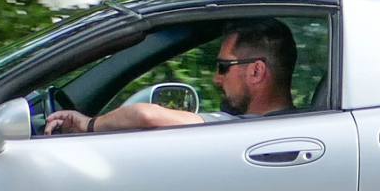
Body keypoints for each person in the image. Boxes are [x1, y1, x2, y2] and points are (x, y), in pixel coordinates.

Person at [43, 18, 298, 133]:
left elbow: (145, 115)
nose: (216, 79)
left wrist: (88, 124)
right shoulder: (296, 125)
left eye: (223, 67)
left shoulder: (239, 127)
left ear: (256, 71)